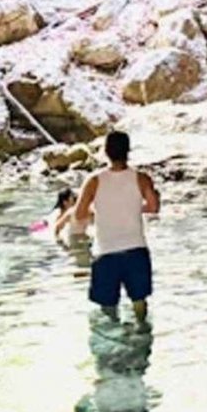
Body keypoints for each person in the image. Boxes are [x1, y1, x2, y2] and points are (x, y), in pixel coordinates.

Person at [75, 131, 160, 326]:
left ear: (106, 152)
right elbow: (154, 207)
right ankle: (141, 333)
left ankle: (114, 342)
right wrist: (133, 208)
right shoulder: (141, 178)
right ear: (128, 151)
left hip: (106, 252)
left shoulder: (94, 181)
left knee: (107, 308)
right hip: (136, 249)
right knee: (139, 301)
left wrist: (102, 213)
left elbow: (79, 214)